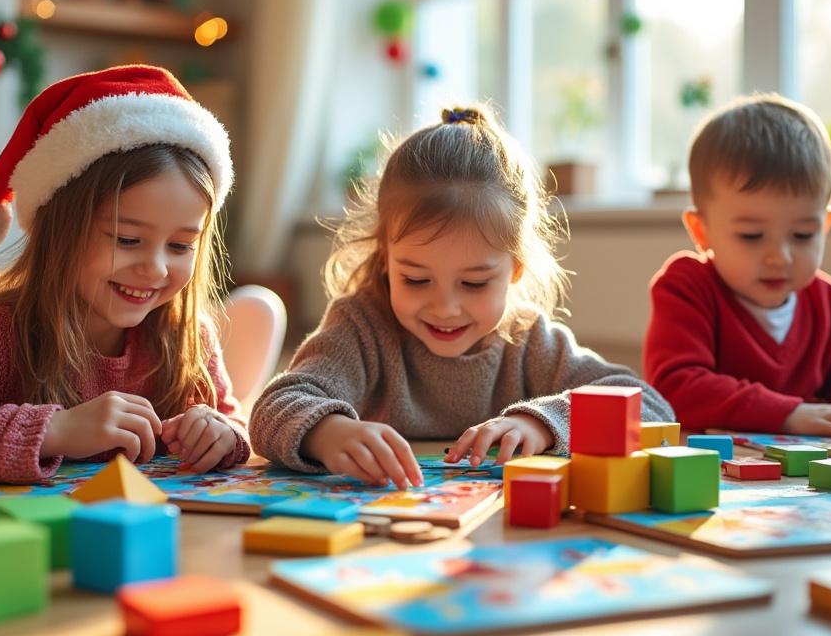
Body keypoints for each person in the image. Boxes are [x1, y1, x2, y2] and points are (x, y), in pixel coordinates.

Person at [0, 65, 283, 482]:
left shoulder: (187, 335)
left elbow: (233, 421)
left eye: (180, 246)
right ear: (60, 233)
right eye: (126, 239)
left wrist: (221, 435)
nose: (155, 268)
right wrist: (57, 430)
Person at [250, 105, 673, 489]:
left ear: (515, 270)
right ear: (386, 261)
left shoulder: (529, 339)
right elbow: (272, 407)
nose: (445, 308)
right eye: (416, 279)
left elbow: (647, 405)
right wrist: (330, 433)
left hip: (500, 538)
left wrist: (544, 423)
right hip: (385, 531)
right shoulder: (361, 326)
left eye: (473, 284)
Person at [643, 93, 831, 439]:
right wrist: (789, 413)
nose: (780, 257)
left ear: (825, 226)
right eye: (751, 235)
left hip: (800, 479)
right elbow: (676, 388)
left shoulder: (829, 302)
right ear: (700, 231)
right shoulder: (686, 286)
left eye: (802, 234)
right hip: (710, 473)